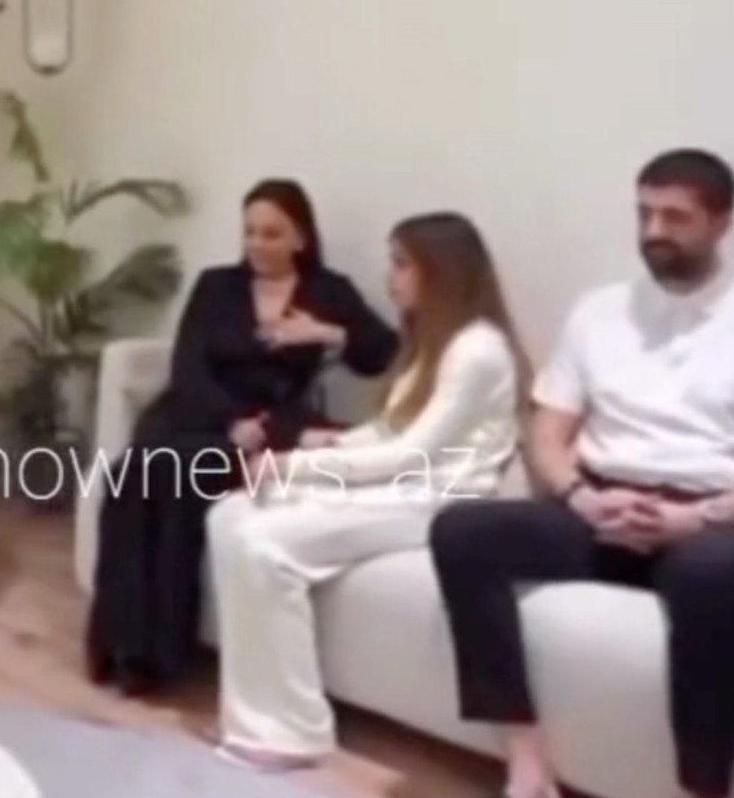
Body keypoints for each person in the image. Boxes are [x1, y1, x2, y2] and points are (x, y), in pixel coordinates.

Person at [426, 149, 734, 798]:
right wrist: (579, 497)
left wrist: (701, 516)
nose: (654, 230)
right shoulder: (598, 312)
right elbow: (547, 433)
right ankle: (530, 788)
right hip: (606, 511)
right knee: (463, 531)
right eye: (644, 213)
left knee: (707, 576)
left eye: (675, 217)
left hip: (729, 522)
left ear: (722, 223)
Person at [206, 212, 527, 769]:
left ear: (440, 272)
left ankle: (292, 731)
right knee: (230, 513)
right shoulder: (433, 342)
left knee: (262, 541)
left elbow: (410, 456)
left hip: (439, 499)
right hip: (402, 484)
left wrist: (295, 468)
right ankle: (258, 712)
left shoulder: (477, 350)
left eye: (402, 265)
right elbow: (389, 430)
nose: (390, 277)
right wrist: (322, 447)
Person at [86, 179, 397, 694]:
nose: (257, 244)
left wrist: (327, 333)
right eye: (250, 232)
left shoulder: (327, 291)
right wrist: (231, 421)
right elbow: (188, 366)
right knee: (132, 474)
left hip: (272, 425)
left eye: (271, 234)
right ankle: (120, 645)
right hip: (195, 413)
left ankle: (154, 657)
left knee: (177, 477)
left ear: (300, 238)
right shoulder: (216, 286)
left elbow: (383, 352)